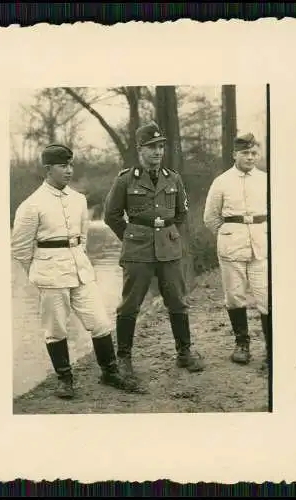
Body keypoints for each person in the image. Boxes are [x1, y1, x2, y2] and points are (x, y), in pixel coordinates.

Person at [11, 143, 136, 399]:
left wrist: (79, 261)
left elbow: (83, 237)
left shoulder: (79, 200)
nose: (69, 170)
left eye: (70, 165)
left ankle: (109, 372)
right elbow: (20, 248)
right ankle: (65, 379)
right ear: (48, 169)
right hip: (50, 274)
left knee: (100, 321)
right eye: (62, 166)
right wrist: (38, 274)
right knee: (55, 329)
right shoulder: (31, 205)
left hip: (80, 270)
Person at [103, 121, 204, 389]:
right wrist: (131, 235)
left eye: (161, 147)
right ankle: (124, 358)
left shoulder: (174, 178)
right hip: (138, 250)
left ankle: (184, 353)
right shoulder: (125, 179)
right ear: (140, 150)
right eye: (152, 148)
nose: (158, 152)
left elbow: (181, 215)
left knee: (177, 301)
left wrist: (173, 240)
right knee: (130, 304)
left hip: (169, 250)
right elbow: (111, 215)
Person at [203, 133, 270, 369]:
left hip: (262, 245)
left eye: (254, 153)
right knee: (234, 295)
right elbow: (210, 217)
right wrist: (228, 233)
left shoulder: (266, 180)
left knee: (266, 296)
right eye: (245, 153)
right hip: (232, 246)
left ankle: (272, 348)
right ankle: (242, 345)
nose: (250, 157)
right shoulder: (222, 181)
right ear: (235, 155)